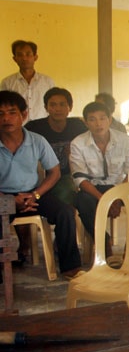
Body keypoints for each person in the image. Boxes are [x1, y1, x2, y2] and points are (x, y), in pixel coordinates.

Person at [0, 90, 82, 279]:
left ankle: (70, 267)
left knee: (65, 212)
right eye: (0, 114)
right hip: (3, 196)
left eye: (12, 112)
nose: (6, 118)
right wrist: (11, 199)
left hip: (34, 194)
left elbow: (54, 172)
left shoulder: (37, 141)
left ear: (24, 115)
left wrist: (36, 195)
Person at [70, 102, 129, 256]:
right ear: (85, 122)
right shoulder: (78, 144)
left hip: (121, 187)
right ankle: (103, 242)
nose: (98, 123)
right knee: (82, 201)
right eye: (92, 119)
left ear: (110, 120)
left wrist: (117, 198)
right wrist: (104, 200)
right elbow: (80, 179)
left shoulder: (124, 140)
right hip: (94, 189)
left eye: (102, 118)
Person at [25, 87, 88, 205]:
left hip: (67, 176)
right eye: (53, 105)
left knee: (68, 190)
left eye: (62, 104)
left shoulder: (78, 126)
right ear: (46, 108)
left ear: (70, 107)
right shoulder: (34, 128)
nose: (57, 109)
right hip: (40, 177)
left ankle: (69, 219)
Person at [1, 40, 54, 122]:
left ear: (35, 57)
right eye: (20, 55)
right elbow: (3, 106)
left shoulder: (47, 81)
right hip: (17, 127)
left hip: (42, 126)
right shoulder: (7, 83)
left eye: (28, 54)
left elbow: (53, 105)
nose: (24, 58)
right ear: (15, 59)